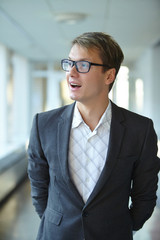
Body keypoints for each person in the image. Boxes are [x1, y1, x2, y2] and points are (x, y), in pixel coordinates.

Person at [28, 32, 160, 240]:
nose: (71, 72)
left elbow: (145, 195)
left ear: (109, 76)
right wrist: (55, 221)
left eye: (83, 65)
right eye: (69, 63)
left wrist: (123, 226)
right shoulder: (43, 125)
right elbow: (38, 186)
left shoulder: (140, 130)